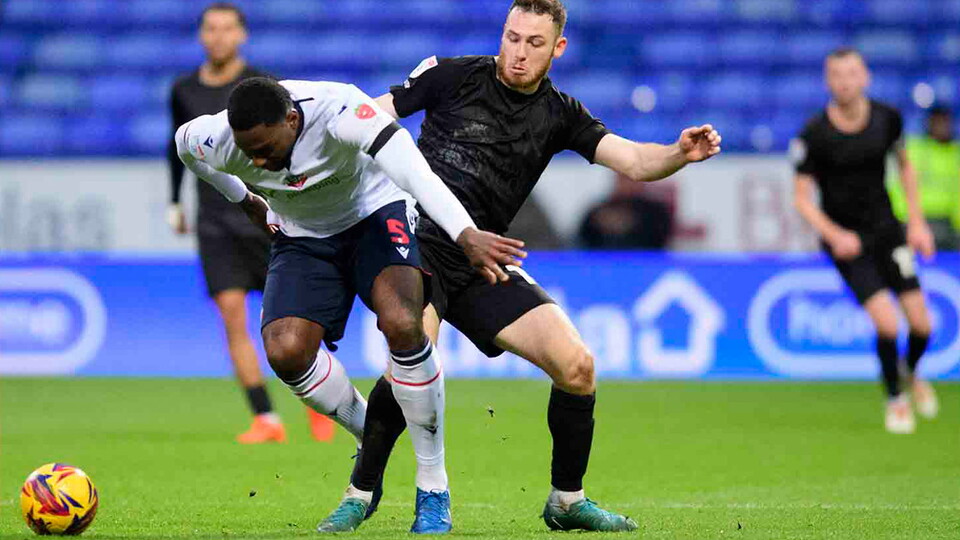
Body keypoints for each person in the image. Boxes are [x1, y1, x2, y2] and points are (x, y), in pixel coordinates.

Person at [321, 0, 722, 533]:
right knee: (412, 359)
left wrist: (677, 152)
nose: (517, 52)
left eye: (534, 43)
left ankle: (566, 501)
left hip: (484, 256)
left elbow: (633, 160)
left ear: (558, 48)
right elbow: (371, 116)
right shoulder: (452, 75)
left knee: (577, 368)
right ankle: (360, 493)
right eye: (512, 37)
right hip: (420, 247)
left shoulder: (560, 113)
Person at [174, 77, 524, 533]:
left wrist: (465, 233)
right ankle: (370, 434)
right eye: (248, 153)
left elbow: (416, 173)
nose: (257, 161)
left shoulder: (342, 111)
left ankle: (433, 485)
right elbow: (186, 151)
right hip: (302, 234)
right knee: (285, 351)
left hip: (374, 214)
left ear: (292, 120)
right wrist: (245, 200)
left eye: (264, 148)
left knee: (403, 324)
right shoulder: (216, 138)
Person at [167, 2, 336, 444]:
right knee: (232, 317)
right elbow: (178, 151)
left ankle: (319, 400)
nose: (218, 37)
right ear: (202, 35)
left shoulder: (262, 87)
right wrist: (174, 202)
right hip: (215, 219)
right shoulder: (182, 90)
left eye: (226, 29)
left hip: (264, 212)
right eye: (210, 29)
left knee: (290, 316)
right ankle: (265, 417)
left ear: (241, 35)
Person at [792, 48, 939, 435]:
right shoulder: (814, 133)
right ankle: (896, 399)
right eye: (837, 75)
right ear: (828, 81)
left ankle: (910, 371)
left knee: (922, 326)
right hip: (847, 242)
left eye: (852, 73)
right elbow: (801, 198)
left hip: (888, 231)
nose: (845, 81)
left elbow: (905, 168)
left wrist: (918, 222)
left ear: (865, 77)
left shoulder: (888, 119)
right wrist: (834, 234)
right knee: (888, 326)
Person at [888, 105, 960, 251]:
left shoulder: (956, 153)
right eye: (937, 122)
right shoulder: (911, 147)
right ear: (928, 123)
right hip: (908, 219)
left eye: (945, 122)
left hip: (945, 222)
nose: (941, 127)